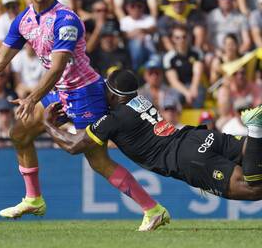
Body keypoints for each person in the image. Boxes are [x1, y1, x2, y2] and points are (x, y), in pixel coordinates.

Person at [0, 0, 162, 231]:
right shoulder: (23, 20)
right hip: (58, 92)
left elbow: (57, 66)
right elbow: (1, 59)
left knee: (98, 161)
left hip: (85, 92)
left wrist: (32, 98)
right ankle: (33, 199)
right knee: (19, 133)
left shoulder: (65, 19)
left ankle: (153, 209)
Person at [45, 69, 262, 208]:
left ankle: (255, 129)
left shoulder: (114, 119)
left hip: (188, 158)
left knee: (253, 189)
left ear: (114, 95)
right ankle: (255, 133)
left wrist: (47, 124)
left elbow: (74, 146)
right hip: (198, 136)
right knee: (252, 154)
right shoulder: (142, 101)